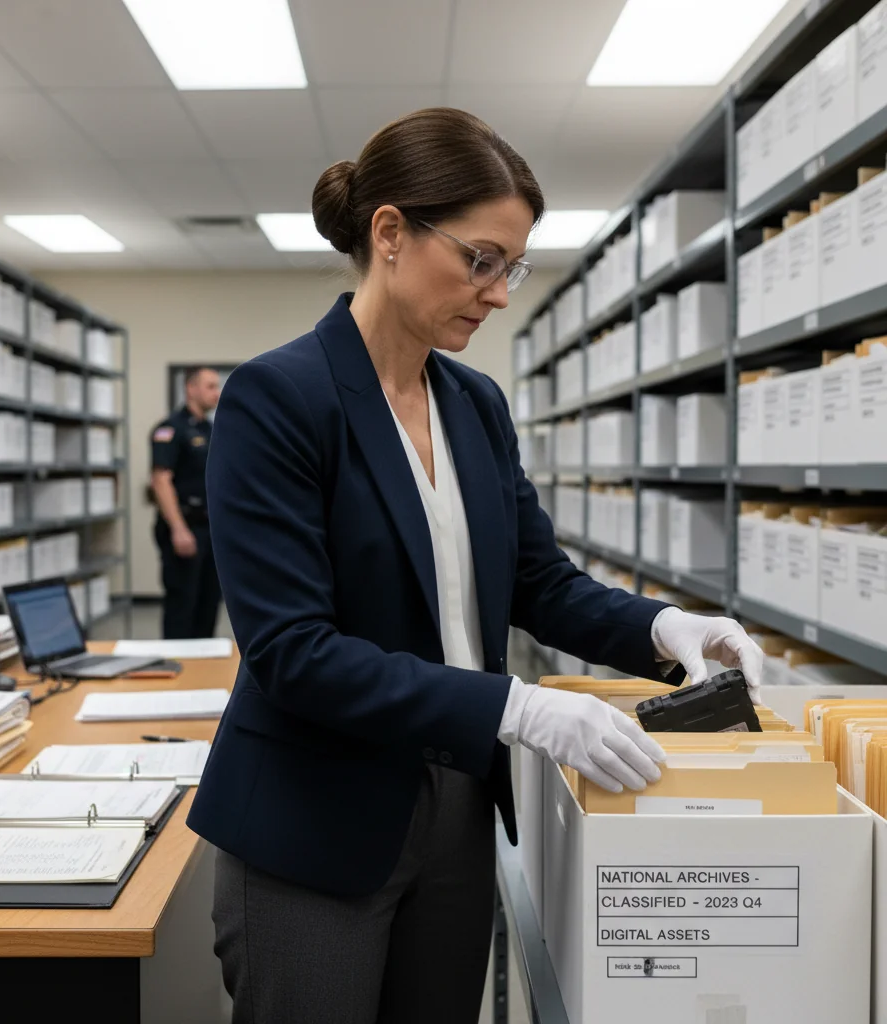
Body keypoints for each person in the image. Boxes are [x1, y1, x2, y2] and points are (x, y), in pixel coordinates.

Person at [188, 108, 763, 1024]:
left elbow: (540, 582)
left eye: (513, 266)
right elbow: (292, 652)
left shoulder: (474, 402)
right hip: (316, 818)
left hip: (456, 800)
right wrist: (518, 705)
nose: (499, 293)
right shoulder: (278, 398)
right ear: (389, 234)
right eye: (480, 259)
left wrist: (666, 627)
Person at [150, 366, 222, 639]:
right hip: (185, 527)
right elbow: (161, 480)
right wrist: (179, 528)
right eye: (210, 386)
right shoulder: (171, 429)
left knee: (208, 604)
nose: (216, 393)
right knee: (183, 605)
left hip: (210, 529)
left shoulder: (211, 428)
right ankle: (179, 672)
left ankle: (204, 669)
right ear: (191, 388)